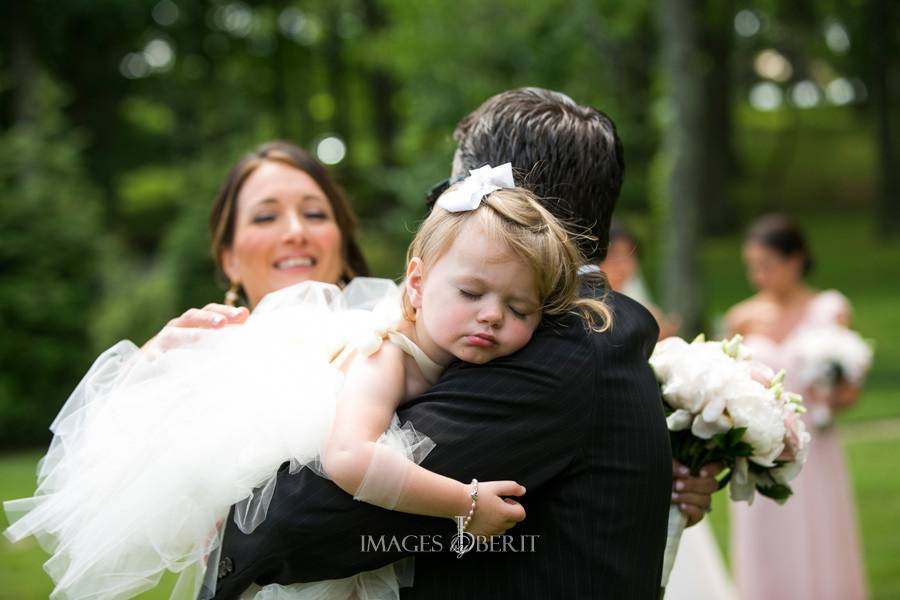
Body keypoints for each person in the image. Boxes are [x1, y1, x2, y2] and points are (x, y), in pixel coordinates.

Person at [4, 163, 613, 600]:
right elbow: (348, 457)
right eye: (474, 294)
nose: (491, 316)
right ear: (418, 284)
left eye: (520, 310)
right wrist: (466, 502)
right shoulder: (384, 352)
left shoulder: (448, 326)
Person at [210, 88, 719, 599]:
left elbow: (304, 520)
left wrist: (230, 529)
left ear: (512, 208)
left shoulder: (559, 345)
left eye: (451, 190)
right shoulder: (572, 331)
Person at [726, 214, 867, 600]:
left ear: (796, 260)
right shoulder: (742, 316)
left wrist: (835, 394)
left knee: (822, 535)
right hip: (759, 453)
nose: (758, 277)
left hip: (816, 451)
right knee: (769, 542)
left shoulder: (830, 309)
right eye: (752, 267)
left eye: (767, 266)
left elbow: (849, 394)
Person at [598, 219, 737, 600]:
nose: (623, 266)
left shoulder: (648, 313)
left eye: (629, 258)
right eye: (614, 256)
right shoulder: (592, 314)